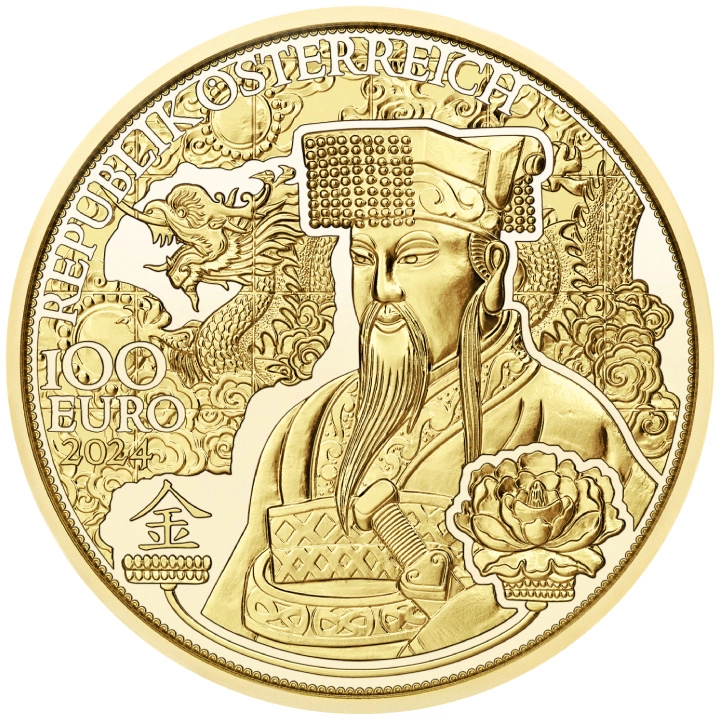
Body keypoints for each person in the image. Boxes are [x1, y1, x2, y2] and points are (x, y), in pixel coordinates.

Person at [202, 123, 656, 659]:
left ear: (489, 270)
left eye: (414, 256)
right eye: (363, 258)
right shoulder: (309, 422)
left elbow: (616, 595)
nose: (383, 288)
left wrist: (411, 663)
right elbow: (229, 613)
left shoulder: (562, 419)